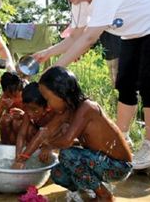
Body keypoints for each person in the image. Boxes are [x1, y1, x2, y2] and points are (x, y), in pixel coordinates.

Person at [33, 0, 150, 169]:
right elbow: (75, 38)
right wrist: (47, 54)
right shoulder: (78, 4)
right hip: (132, 34)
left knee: (149, 84)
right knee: (125, 84)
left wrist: (54, 71)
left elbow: (90, 38)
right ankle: (121, 137)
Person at [39, 67, 132, 201]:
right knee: (57, 173)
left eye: (47, 99)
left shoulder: (87, 108)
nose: (47, 105)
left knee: (67, 154)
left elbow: (66, 142)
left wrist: (49, 145)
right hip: (100, 162)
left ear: (61, 94)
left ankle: (104, 195)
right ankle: (89, 189)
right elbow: (47, 131)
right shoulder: (70, 110)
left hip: (118, 166)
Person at [12, 81, 69, 167]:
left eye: (35, 110)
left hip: (55, 140)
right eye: (27, 108)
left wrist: (49, 146)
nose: (30, 113)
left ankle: (55, 155)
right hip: (40, 138)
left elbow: (67, 136)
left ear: (47, 107)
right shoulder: (28, 112)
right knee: (27, 128)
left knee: (65, 128)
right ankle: (33, 150)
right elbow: (22, 134)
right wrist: (18, 155)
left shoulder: (55, 112)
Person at [0, 71, 25, 144]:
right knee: (5, 119)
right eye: (9, 95)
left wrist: (23, 115)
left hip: (26, 133)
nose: (12, 97)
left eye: (15, 95)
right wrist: (2, 108)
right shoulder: (4, 97)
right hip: (10, 136)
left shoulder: (27, 95)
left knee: (17, 123)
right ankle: (6, 147)